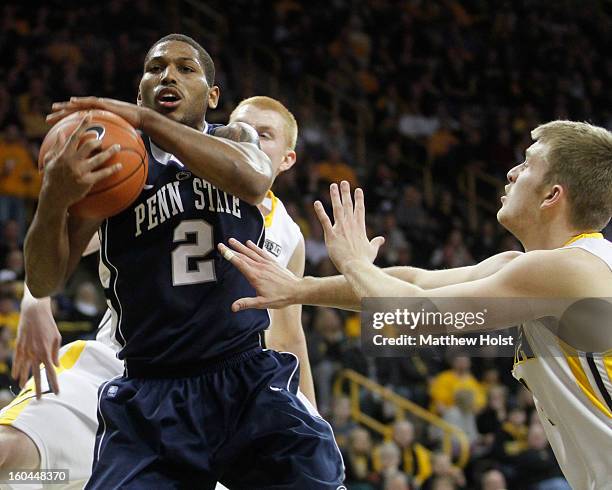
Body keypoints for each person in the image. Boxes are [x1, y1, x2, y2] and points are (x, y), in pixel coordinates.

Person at [20, 34, 344, 489]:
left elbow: (254, 182)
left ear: (212, 96)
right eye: (155, 68)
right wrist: (54, 198)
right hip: (151, 392)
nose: (168, 75)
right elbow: (45, 277)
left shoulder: (236, 139)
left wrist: (146, 121)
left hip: (244, 381)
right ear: (139, 89)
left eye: (185, 68)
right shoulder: (112, 166)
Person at [220, 120, 612, 490]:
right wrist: (299, 288)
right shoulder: (542, 268)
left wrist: (354, 261)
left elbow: (415, 315)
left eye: (526, 164)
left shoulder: (569, 271)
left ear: (552, 195)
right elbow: (412, 283)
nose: (511, 172)